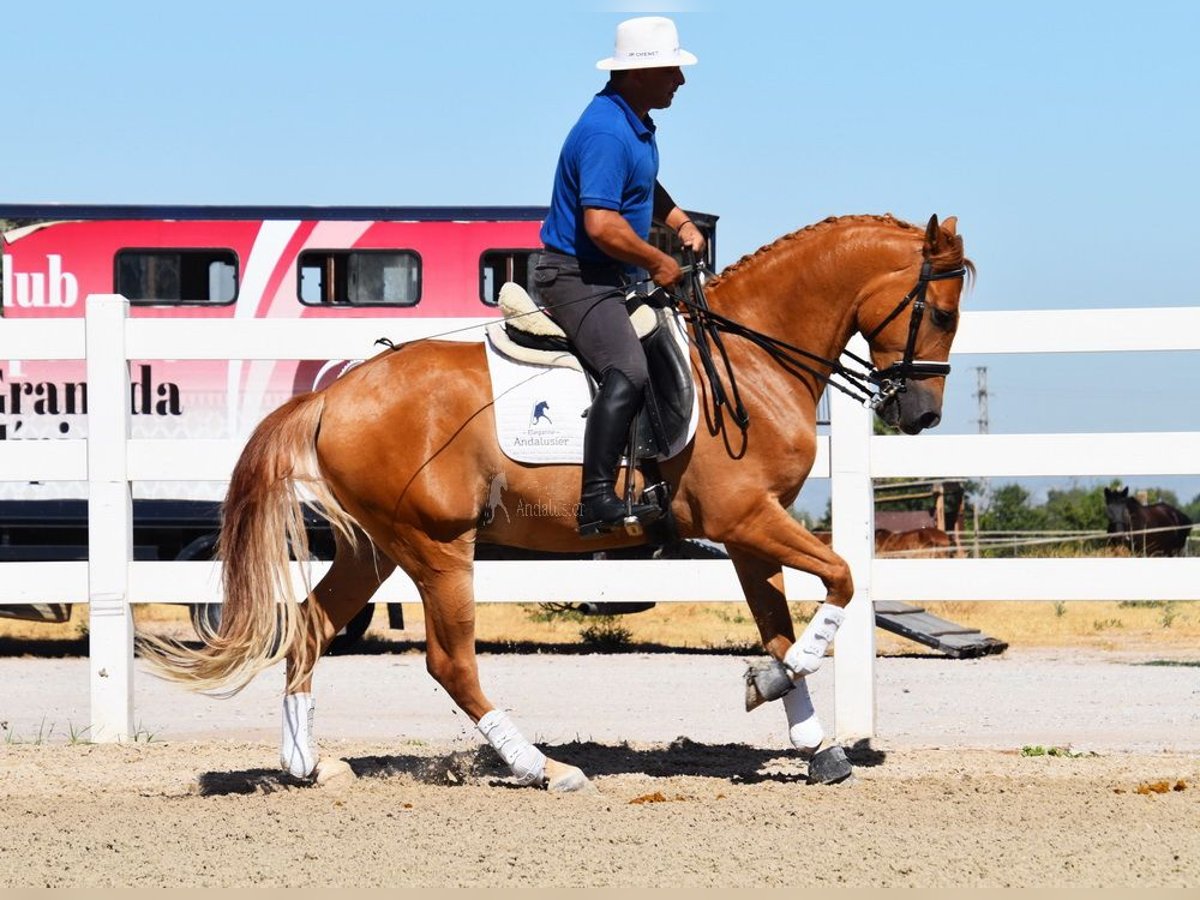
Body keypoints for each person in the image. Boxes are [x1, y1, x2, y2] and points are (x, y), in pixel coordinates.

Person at [533, 16, 707, 538]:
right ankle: (595, 497)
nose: (680, 79)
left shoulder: (631, 122)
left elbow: (642, 184)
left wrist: (677, 221)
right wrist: (658, 261)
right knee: (628, 367)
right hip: (576, 278)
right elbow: (601, 224)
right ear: (638, 74)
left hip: (603, 276)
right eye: (671, 69)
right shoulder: (607, 131)